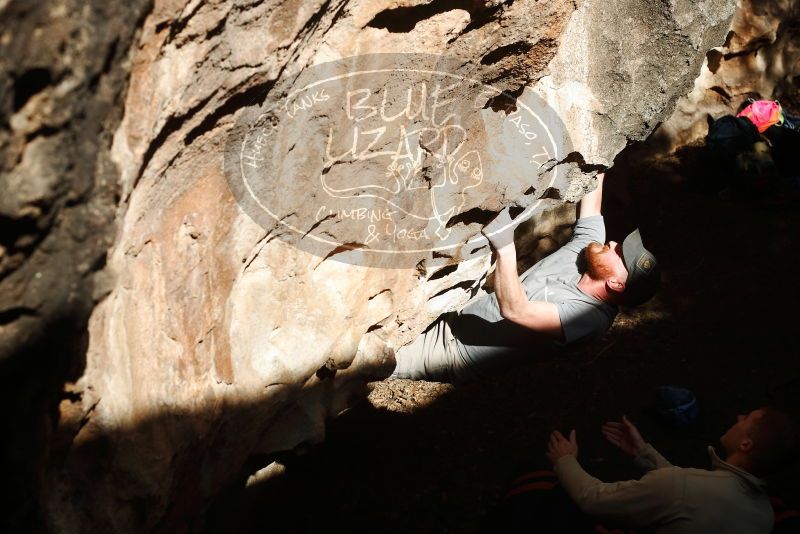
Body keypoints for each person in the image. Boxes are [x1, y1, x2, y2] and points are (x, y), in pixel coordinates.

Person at [391, 172, 661, 382]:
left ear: (615, 283)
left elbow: (516, 310)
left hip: (451, 351)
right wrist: (602, 156)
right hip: (458, 307)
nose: (613, 243)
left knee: (369, 361)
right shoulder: (589, 252)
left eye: (620, 253)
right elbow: (593, 196)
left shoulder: (589, 319)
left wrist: (505, 247)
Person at [545, 408, 800, 533]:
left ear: (746, 444)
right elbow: (687, 496)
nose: (739, 417)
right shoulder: (764, 516)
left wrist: (565, 460)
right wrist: (643, 452)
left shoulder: (682, 487)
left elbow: (594, 500)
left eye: (747, 419)